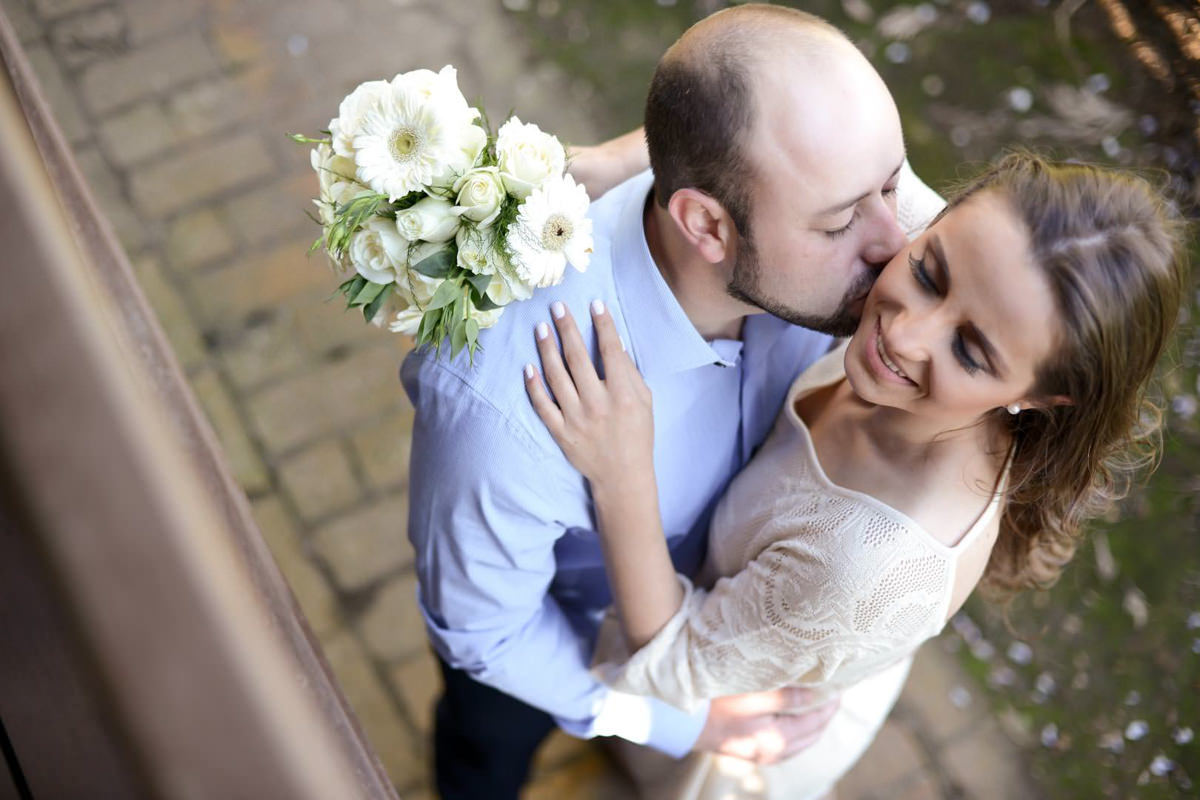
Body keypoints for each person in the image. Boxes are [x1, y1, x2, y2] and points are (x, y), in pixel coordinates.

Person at [401, 5, 946, 798]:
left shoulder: (839, 211)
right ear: (707, 225)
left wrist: (634, 152)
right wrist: (676, 723)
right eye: (837, 226)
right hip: (558, 643)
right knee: (485, 757)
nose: (895, 244)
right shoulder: (500, 405)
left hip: (697, 611)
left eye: (892, 185)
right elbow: (489, 632)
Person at [524, 151, 1186, 798]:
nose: (905, 335)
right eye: (928, 272)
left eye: (970, 352)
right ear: (938, 220)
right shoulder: (980, 254)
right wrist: (612, 164)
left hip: (739, 716)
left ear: (1041, 398)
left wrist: (621, 474)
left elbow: (673, 663)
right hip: (789, 627)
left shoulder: (864, 564)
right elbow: (776, 125)